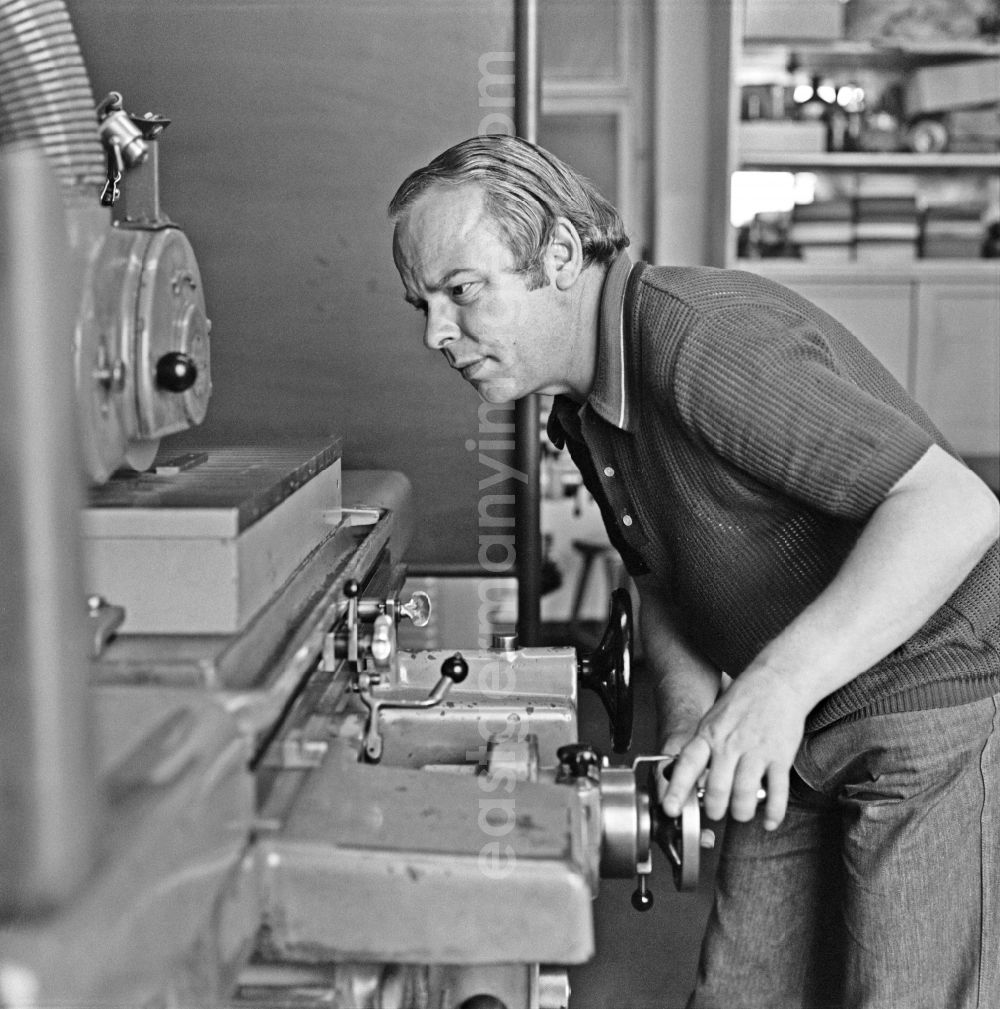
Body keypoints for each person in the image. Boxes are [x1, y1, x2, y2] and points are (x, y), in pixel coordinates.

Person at [388, 134, 1000, 1008]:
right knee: (739, 992)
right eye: (422, 304)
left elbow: (956, 508)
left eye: (460, 291)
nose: (436, 333)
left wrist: (775, 686)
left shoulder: (698, 340)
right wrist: (689, 717)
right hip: (795, 717)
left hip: (926, 696)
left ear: (560, 254)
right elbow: (661, 574)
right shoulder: (580, 405)